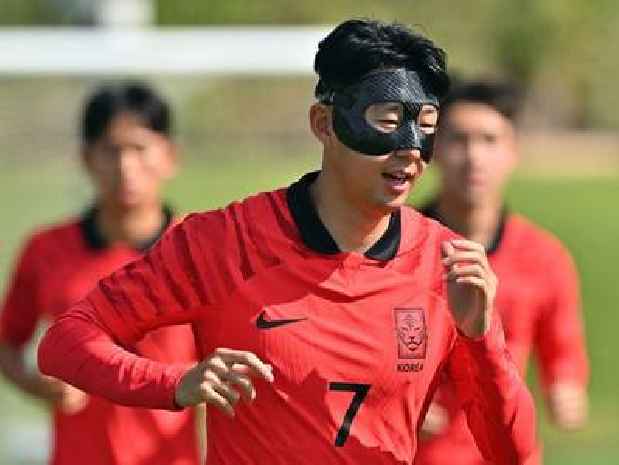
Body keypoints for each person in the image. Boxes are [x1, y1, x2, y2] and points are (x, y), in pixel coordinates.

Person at [37, 20, 536, 465]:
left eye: (425, 125)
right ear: (324, 124)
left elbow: (511, 453)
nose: (408, 147)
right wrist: (175, 383)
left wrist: (482, 337)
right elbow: (65, 343)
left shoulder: (444, 266)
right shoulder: (223, 243)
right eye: (386, 120)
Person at [0, 82, 201, 465]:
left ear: (170, 156)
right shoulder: (46, 250)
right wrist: (35, 385)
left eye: (140, 149)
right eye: (112, 150)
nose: (126, 166)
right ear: (86, 158)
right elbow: (7, 342)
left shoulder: (198, 251)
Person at [414, 79, 589, 465]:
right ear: (433, 150)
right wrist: (391, 399)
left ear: (513, 152)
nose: (474, 156)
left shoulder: (545, 257)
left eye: (490, 140)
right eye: (459, 140)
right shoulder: (394, 250)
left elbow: (564, 349)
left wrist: (566, 386)